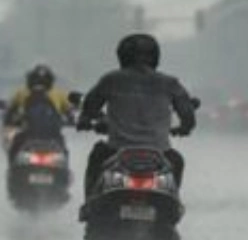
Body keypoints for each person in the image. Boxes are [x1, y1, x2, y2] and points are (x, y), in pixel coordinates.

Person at [76, 34, 196, 201]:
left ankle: (89, 204)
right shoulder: (169, 83)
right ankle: (172, 204)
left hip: (116, 150)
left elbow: (90, 105)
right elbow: (187, 114)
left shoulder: (111, 79)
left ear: (123, 56)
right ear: (155, 57)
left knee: (97, 157)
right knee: (177, 161)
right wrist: (185, 128)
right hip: (160, 152)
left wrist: (85, 120)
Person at [2, 64, 73, 159]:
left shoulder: (21, 93)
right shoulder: (59, 94)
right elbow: (69, 112)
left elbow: (10, 111)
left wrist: (11, 120)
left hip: (28, 134)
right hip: (53, 135)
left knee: (15, 148)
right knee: (63, 152)